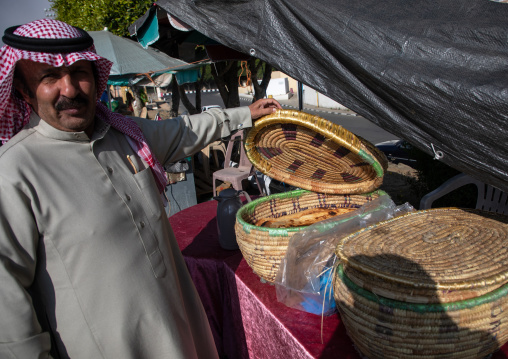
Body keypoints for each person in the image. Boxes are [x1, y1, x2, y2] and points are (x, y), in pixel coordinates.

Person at [0, 19, 281, 359]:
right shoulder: (13, 171)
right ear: (25, 91)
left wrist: (244, 114)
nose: (70, 89)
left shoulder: (124, 135)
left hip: (181, 329)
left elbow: (185, 131)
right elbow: (8, 305)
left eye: (80, 73)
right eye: (49, 78)